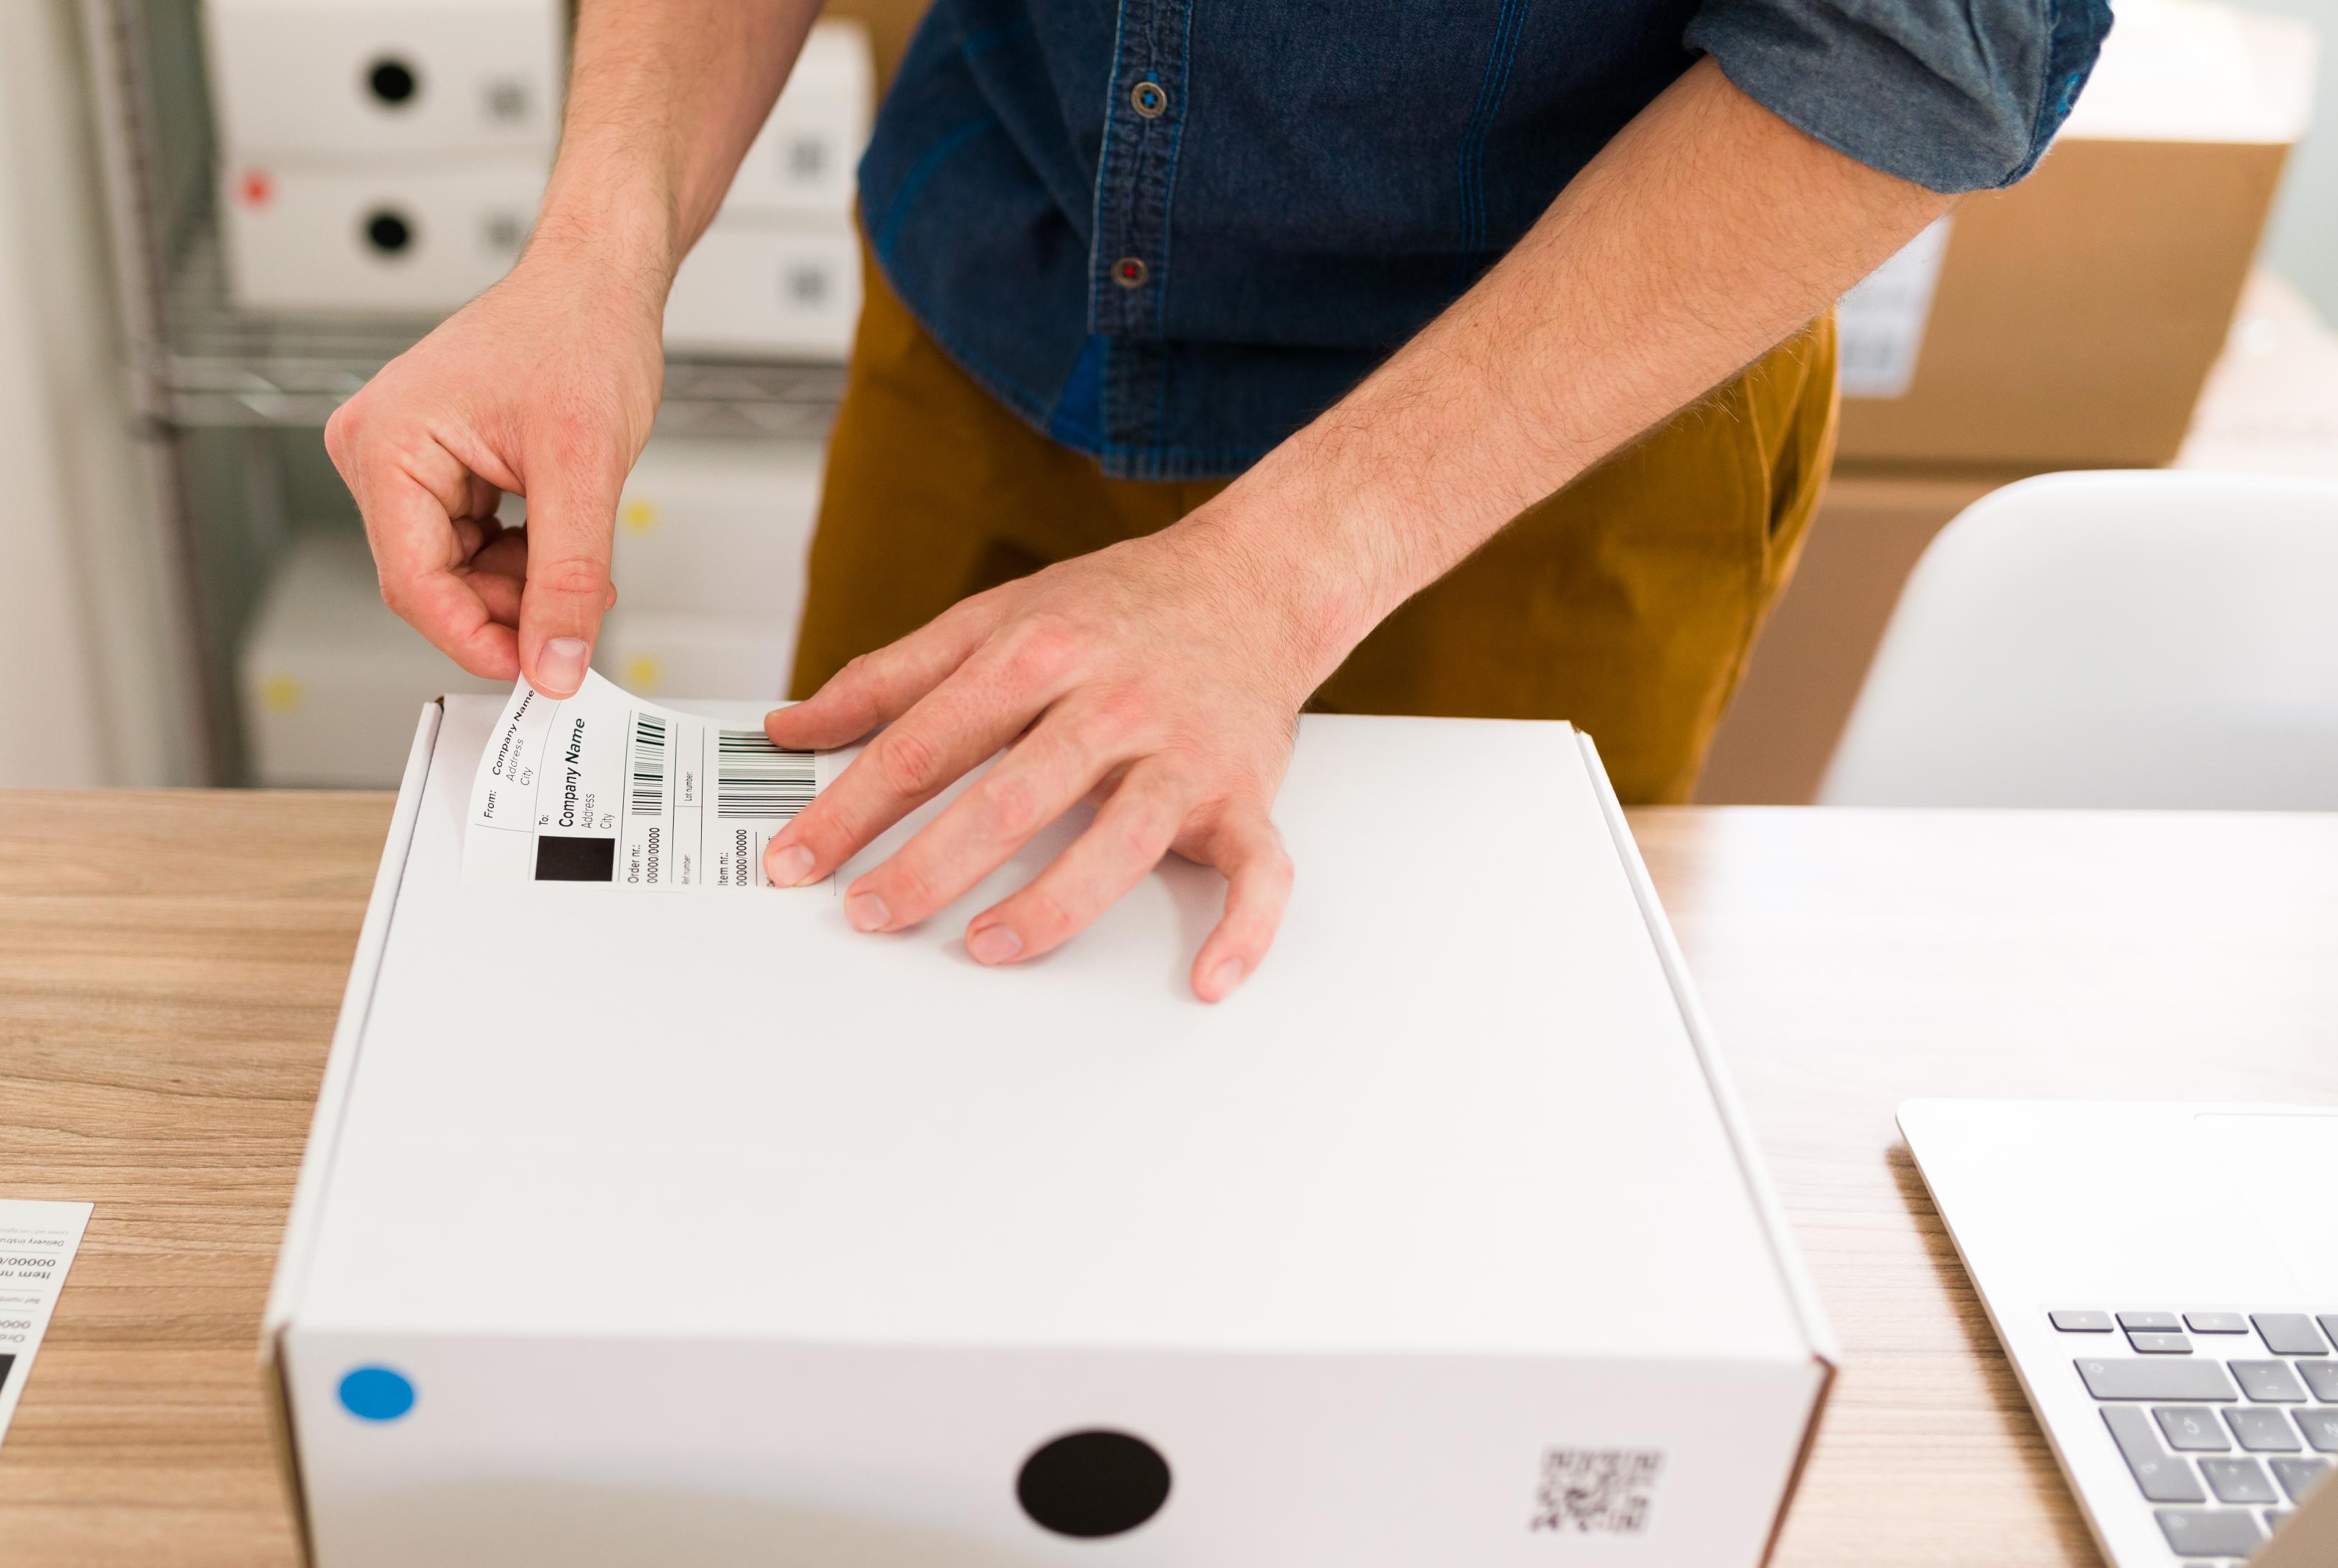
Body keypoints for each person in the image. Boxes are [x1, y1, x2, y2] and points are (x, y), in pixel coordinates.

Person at [327, 0, 2108, 999]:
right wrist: (593, 250)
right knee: (854, 994)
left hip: (1535, 440)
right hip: (997, 301)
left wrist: (1277, 576)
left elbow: (1915, 54)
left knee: (1408, 1103)